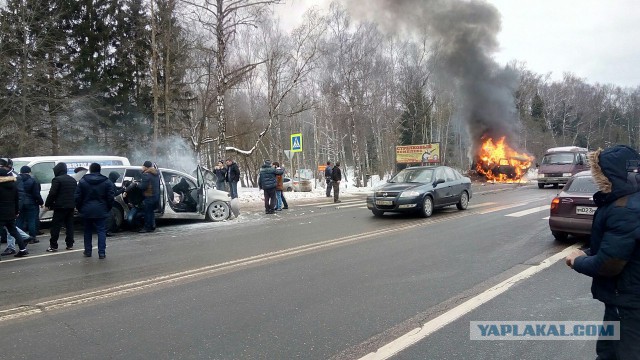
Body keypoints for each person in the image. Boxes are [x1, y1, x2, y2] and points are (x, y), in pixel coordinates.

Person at [565, 145, 640, 359]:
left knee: (617, 353)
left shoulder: (624, 209)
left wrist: (576, 261)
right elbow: (622, 244)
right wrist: (588, 251)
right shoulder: (630, 200)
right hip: (627, 298)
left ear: (610, 175)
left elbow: (609, 264)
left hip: (627, 300)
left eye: (598, 173)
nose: (596, 179)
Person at [75, 163, 115, 259]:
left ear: (90, 170)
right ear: (99, 170)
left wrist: (80, 208)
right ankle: (102, 253)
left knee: (87, 231)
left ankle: (88, 251)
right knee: (101, 231)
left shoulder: (83, 181)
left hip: (87, 210)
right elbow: (110, 197)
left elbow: (77, 197)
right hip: (101, 210)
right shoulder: (107, 181)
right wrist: (108, 208)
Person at [45, 162, 77, 252]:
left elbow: (52, 193)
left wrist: (48, 204)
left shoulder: (57, 180)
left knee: (56, 226)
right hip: (70, 206)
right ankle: (70, 244)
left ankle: (53, 245)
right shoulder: (73, 180)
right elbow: (75, 193)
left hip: (60, 206)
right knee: (70, 226)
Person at [0, 157, 29, 258]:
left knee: (11, 231)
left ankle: (18, 248)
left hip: (1, 213)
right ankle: (23, 249)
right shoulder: (13, 185)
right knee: (14, 231)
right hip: (11, 212)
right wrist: (16, 211)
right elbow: (17, 199)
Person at [17, 166, 44, 240]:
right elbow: (36, 194)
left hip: (20, 203)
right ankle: (32, 237)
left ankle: (19, 237)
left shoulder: (16, 179)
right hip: (31, 203)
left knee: (19, 220)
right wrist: (40, 202)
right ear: (29, 172)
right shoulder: (33, 180)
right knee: (31, 220)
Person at [132, 161, 160, 233]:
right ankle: (152, 226)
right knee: (151, 212)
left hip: (149, 196)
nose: (142, 167)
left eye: (143, 166)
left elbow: (143, 186)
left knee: (147, 212)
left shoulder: (146, 174)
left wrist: (137, 184)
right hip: (155, 195)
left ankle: (147, 227)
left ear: (145, 167)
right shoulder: (156, 173)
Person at [106, 171, 125, 236]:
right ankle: (108, 231)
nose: (117, 179)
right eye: (116, 178)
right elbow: (115, 193)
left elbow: (115, 188)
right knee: (110, 217)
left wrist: (121, 188)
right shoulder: (110, 184)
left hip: (108, 202)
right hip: (108, 202)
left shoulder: (109, 182)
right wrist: (123, 190)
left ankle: (114, 229)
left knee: (112, 216)